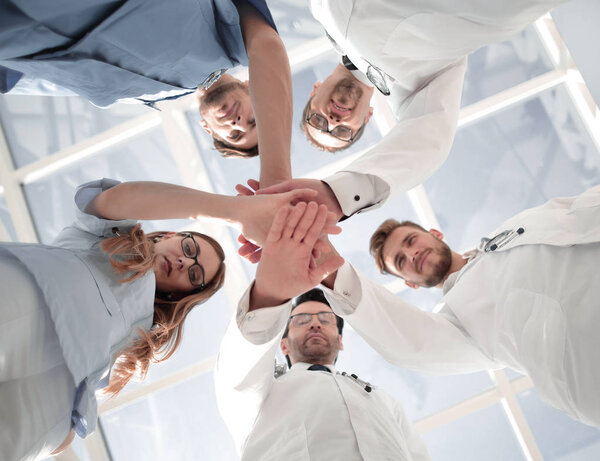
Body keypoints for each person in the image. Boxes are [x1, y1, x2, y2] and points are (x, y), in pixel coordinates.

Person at [0, 178, 331, 461]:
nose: (187, 263)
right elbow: (120, 199)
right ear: (167, 235)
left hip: (54, 394)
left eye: (196, 274)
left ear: (183, 295)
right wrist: (236, 211)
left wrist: (62, 430)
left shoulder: (142, 332)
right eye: (189, 247)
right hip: (33, 299)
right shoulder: (103, 237)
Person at [248, 0, 568, 223]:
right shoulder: (414, 88)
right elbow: (429, 139)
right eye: (343, 132)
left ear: (315, 90)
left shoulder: (321, 10)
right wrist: (338, 195)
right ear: (367, 119)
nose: (332, 122)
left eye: (317, 120)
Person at [327, 184, 600, 428]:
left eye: (411, 241)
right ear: (409, 283)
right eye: (400, 261)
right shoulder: (458, 323)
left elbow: (580, 207)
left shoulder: (516, 226)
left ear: (434, 233)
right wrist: (326, 267)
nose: (412, 254)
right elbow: (410, 343)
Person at [215, 203, 430, 460]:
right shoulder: (262, 394)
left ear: (340, 341)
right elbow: (240, 366)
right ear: (283, 345)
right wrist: (272, 290)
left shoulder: (384, 401)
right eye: (302, 319)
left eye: (326, 319)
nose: (315, 323)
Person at [0, 0, 292, 185]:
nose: (239, 123)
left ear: (207, 128)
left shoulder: (143, 97)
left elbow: (53, 81)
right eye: (255, 121)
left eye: (235, 135)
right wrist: (276, 178)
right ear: (250, 87)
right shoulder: (237, 39)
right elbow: (268, 47)